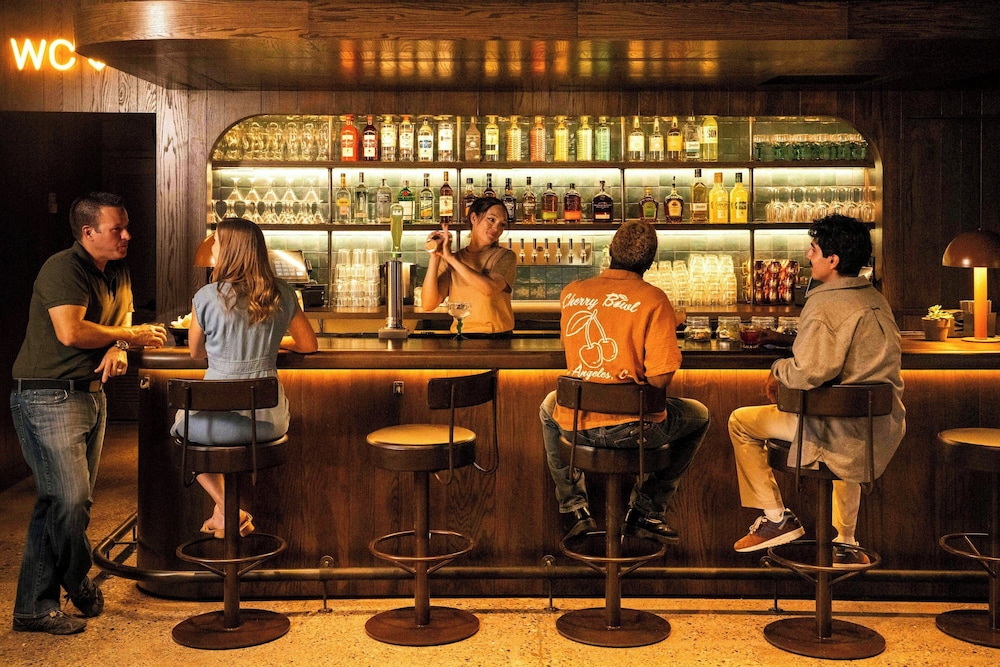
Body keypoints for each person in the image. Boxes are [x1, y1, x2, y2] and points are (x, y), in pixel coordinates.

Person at [10, 192, 167, 635]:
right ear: (88, 232)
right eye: (117, 228)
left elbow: (124, 320)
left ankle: (33, 607)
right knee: (69, 501)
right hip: (48, 396)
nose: (127, 235)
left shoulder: (117, 270)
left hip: (92, 395)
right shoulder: (63, 268)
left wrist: (121, 345)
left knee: (64, 502)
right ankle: (77, 579)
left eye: (126, 226)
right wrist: (132, 336)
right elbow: (71, 331)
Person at [729, 214, 905, 565]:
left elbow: (806, 374)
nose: (808, 256)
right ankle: (845, 541)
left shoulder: (824, 303)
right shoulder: (874, 297)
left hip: (830, 433)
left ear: (833, 260)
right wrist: (787, 340)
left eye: (813, 249)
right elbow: (839, 353)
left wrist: (777, 368)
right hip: (876, 430)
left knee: (740, 422)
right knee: (843, 413)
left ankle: (776, 518)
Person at [539, 221, 710, 544]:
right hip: (634, 432)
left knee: (549, 406)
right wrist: (667, 326)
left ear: (609, 252)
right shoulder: (654, 300)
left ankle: (575, 508)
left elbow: (573, 343)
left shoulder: (573, 292)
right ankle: (646, 510)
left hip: (577, 425)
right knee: (699, 415)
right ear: (650, 263)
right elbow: (659, 378)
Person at [170, 217, 317, 540]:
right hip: (266, 424)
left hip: (210, 425)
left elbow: (196, 352)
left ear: (228, 250)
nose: (213, 248)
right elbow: (309, 345)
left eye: (216, 243)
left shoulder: (205, 296)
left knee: (182, 433)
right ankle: (227, 511)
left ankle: (227, 509)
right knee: (194, 431)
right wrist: (274, 342)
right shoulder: (282, 293)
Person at [421, 196, 517, 336]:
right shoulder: (453, 259)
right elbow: (428, 304)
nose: (496, 228)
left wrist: (450, 258)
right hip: (460, 336)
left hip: (497, 338)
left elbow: (489, 288)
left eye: (502, 224)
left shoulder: (505, 256)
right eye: (491, 219)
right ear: (474, 218)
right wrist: (435, 257)